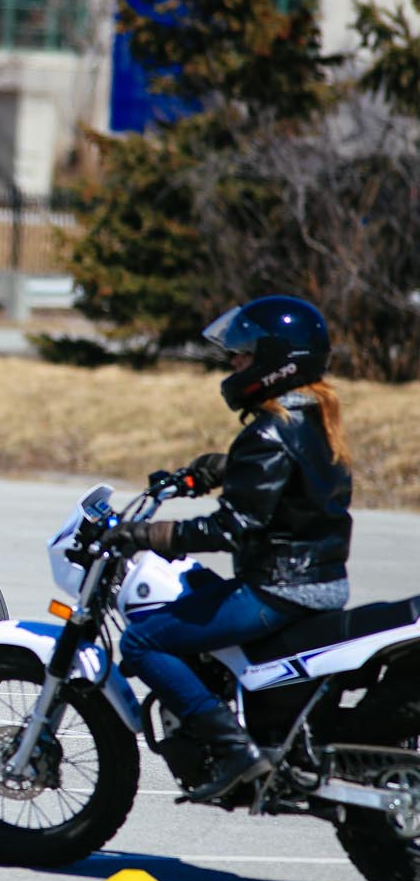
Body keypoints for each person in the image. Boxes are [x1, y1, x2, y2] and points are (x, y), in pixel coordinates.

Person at [108, 294, 353, 804]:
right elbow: (284, 487)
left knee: (141, 643)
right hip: (320, 581)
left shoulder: (269, 430)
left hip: (279, 588)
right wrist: (218, 470)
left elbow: (232, 527)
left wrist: (147, 536)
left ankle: (233, 748)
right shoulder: (311, 418)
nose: (234, 364)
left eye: (243, 355)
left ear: (273, 361)